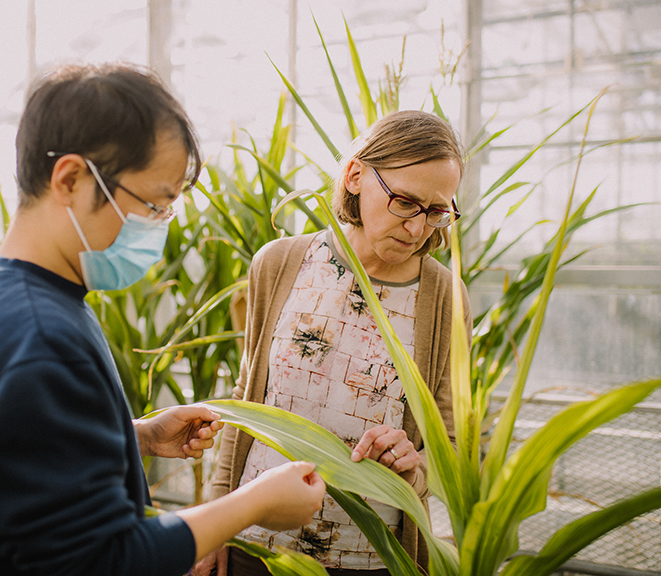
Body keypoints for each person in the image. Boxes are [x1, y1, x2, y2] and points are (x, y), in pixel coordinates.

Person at [0, 63, 325, 576]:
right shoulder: (38, 336)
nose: (159, 227)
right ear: (70, 179)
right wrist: (253, 504)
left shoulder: (6, 288)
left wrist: (130, 435)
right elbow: (100, 560)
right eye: (154, 204)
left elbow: (18, 457)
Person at [198, 110, 472, 576]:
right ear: (356, 176)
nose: (416, 228)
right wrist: (212, 521)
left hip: (374, 559)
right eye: (404, 202)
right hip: (256, 547)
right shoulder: (281, 263)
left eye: (435, 211)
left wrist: (415, 466)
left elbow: (451, 442)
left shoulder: (444, 297)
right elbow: (247, 402)